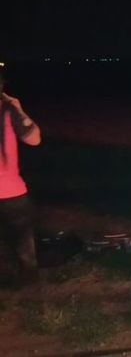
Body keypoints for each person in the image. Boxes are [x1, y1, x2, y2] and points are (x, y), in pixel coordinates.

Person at [0, 71, 41, 285]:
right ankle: (29, 285)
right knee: (23, 244)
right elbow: (34, 139)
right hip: (12, 193)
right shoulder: (8, 112)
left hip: (12, 194)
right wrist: (18, 108)